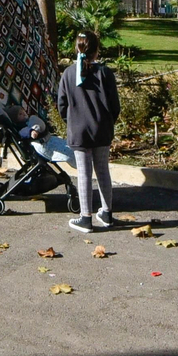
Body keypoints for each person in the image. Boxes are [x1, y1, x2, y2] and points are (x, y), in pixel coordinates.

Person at [56, 31, 119, 232]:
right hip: (102, 129)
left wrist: (72, 121)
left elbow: (62, 105)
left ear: (77, 48)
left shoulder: (68, 74)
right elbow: (114, 105)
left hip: (79, 130)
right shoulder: (105, 73)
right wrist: (108, 121)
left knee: (84, 174)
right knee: (103, 171)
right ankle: (107, 213)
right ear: (97, 50)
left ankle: (86, 217)